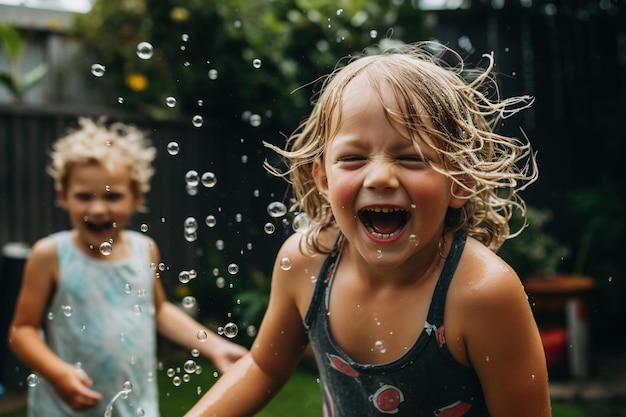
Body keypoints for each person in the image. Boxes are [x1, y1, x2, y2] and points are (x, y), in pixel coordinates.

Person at [185, 41, 551, 417]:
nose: (379, 177)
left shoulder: (480, 294)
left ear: (458, 180)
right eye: (353, 158)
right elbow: (263, 367)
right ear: (324, 178)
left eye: (411, 158)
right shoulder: (306, 264)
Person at [8, 118, 248, 417]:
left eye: (112, 196)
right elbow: (22, 330)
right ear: (63, 196)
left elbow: (158, 311)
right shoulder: (51, 255)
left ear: (137, 197)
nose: (97, 209)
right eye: (84, 196)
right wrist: (57, 372)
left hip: (133, 408)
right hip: (63, 409)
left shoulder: (143, 249)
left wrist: (214, 346)